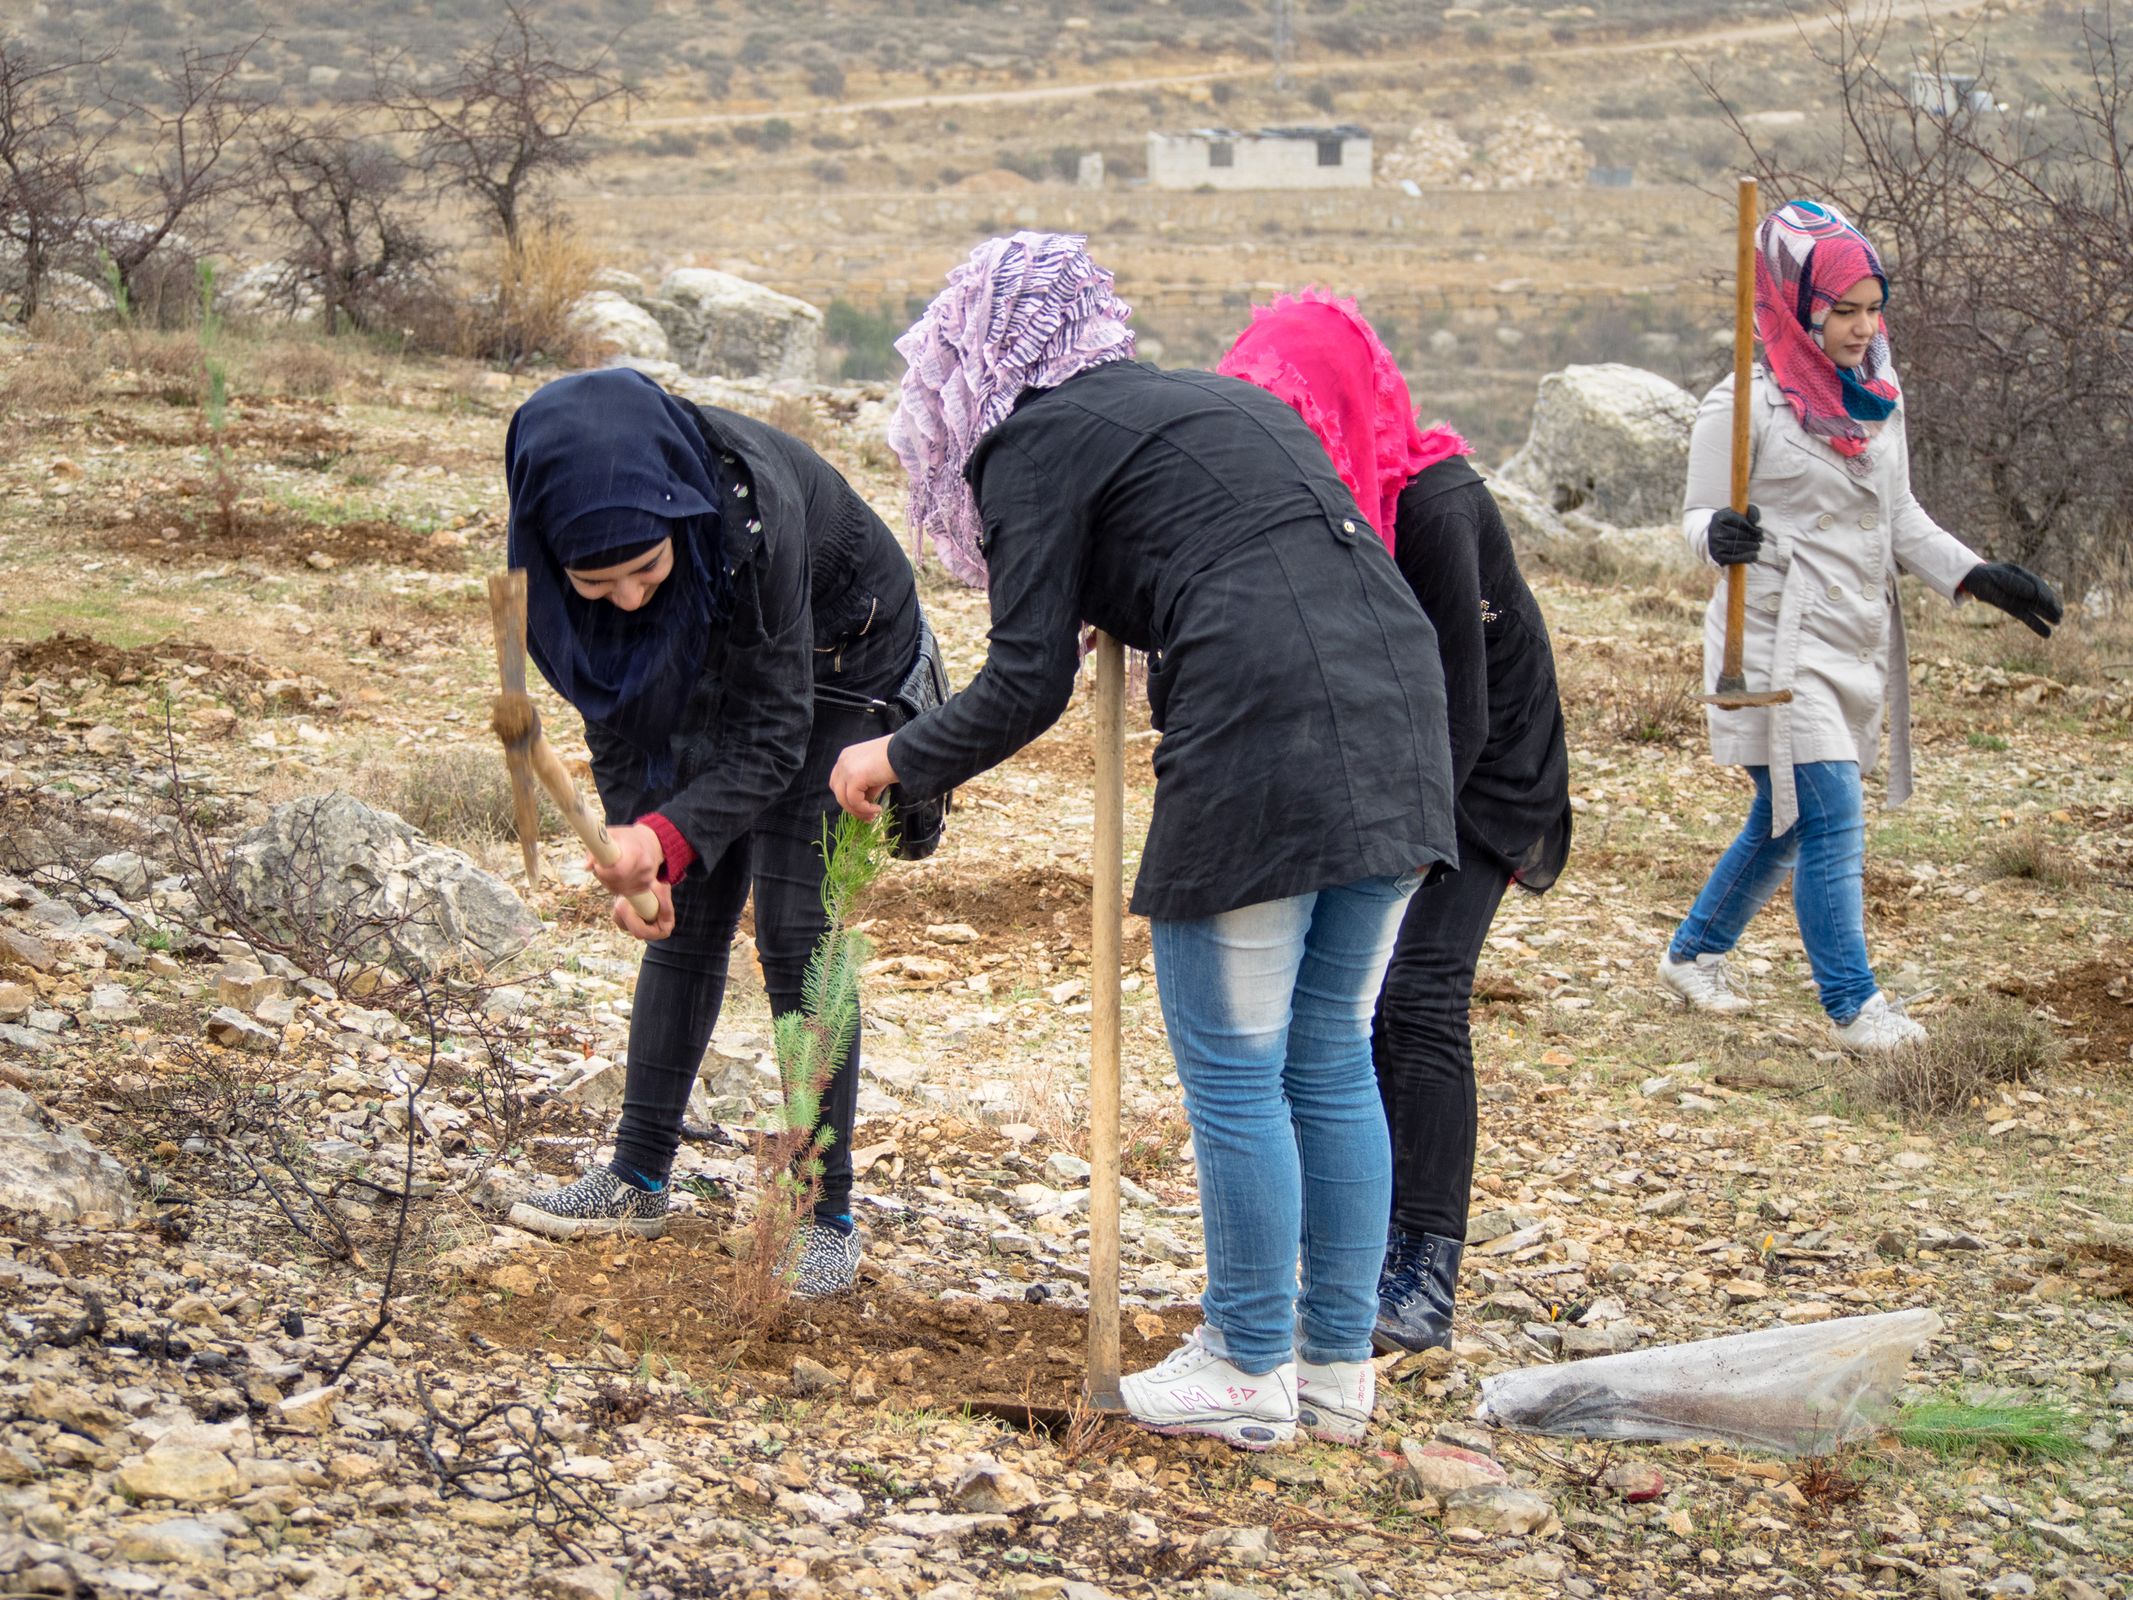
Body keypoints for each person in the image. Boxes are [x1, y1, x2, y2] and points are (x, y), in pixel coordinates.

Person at [828, 233, 1458, 1450]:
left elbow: (1024, 681)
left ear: (979, 357)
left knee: (1235, 1066)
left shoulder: (1032, 445)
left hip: (1267, 729)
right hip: (1399, 706)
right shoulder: (1211, 403)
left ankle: (1243, 1359)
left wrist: (891, 756)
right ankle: (1334, 1371)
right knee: (1326, 1051)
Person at [501, 366, 924, 1297]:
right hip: (715, 664)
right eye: (594, 584)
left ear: (678, 525)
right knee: (683, 916)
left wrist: (670, 829)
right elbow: (614, 708)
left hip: (839, 657)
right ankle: (638, 1177)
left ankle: (824, 1216)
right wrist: (635, 842)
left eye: (645, 571)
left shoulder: (751, 511)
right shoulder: (543, 571)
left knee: (795, 931)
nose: (625, 603)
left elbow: (774, 736)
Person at [1218, 291, 1571, 1355]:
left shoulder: (1432, 506)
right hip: (1390, 759)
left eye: (1295, 414)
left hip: (1484, 775)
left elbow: (1460, 708)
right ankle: (1350, 1253)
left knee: (1414, 994)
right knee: (1342, 1010)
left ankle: (1424, 1263)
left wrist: (1399, 853)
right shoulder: (1329, 497)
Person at [1660, 200, 2062, 1050]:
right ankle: (1853, 1006)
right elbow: (1697, 517)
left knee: (1791, 815)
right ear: (1796, 302)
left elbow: (1899, 513)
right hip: (1772, 632)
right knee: (1830, 810)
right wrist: (1717, 537)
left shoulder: (1877, 393)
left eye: (1871, 307)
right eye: (1842, 309)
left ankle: (1692, 955)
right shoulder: (1742, 402)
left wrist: (1974, 574)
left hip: (1853, 635)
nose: (1860, 326)